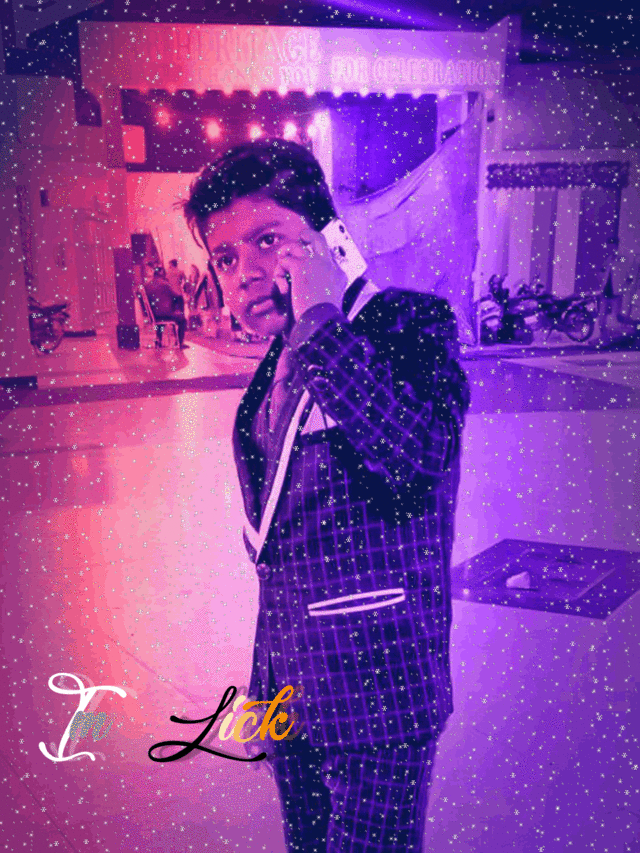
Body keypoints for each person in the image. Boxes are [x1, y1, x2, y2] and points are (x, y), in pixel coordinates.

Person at [182, 139, 470, 852]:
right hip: (293, 697)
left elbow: (419, 455)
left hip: (379, 695)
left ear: (327, 236)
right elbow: (278, 550)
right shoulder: (270, 370)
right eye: (225, 258)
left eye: (267, 240)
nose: (245, 274)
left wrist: (319, 319)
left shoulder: (409, 324)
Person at [144, 267, 188, 348]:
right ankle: (180, 342)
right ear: (161, 274)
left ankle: (159, 339)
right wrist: (178, 309)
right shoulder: (164, 284)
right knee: (182, 320)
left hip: (153, 315)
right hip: (164, 315)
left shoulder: (147, 285)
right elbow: (176, 296)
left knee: (161, 312)